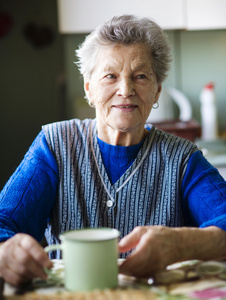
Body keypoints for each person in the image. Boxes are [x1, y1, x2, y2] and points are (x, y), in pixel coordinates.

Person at [0, 14, 226, 286]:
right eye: (110, 76)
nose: (126, 89)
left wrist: (181, 244)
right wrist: (5, 251)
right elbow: (4, 222)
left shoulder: (182, 158)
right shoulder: (54, 145)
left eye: (140, 76)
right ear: (89, 88)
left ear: (156, 92)